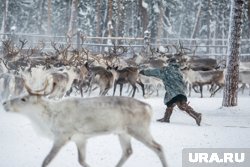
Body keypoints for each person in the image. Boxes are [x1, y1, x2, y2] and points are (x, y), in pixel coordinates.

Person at [139, 58, 202, 126]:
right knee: (171, 103)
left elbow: (154, 72)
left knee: (181, 105)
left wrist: (143, 72)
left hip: (173, 91)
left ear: (169, 63)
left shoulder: (166, 70)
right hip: (180, 90)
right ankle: (166, 118)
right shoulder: (178, 70)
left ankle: (196, 115)